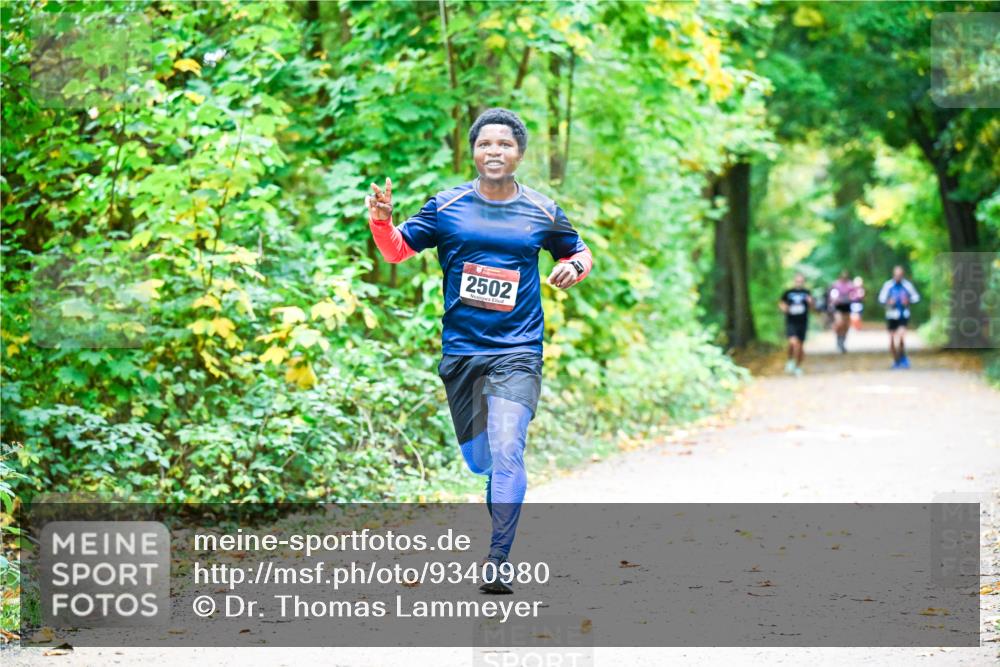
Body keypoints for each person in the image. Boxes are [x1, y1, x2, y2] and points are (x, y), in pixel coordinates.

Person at [364, 108, 592, 594]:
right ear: (473, 150)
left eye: (505, 145)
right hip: (463, 351)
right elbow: (397, 251)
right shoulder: (446, 207)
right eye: (486, 143)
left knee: (509, 445)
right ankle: (497, 505)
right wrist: (381, 221)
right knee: (482, 462)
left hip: (519, 348)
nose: (495, 151)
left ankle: (498, 558)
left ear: (519, 154)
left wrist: (575, 268)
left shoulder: (542, 210)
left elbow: (577, 250)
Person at [877, 266, 920, 369]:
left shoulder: (907, 285)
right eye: (896, 275)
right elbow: (881, 299)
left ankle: (902, 357)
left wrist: (908, 300)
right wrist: (888, 302)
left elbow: (916, 297)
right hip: (891, 315)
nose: (898, 277)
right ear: (893, 275)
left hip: (903, 315)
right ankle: (896, 360)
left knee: (901, 337)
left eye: (900, 275)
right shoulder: (888, 285)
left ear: (903, 275)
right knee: (891, 340)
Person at [779, 273, 814, 376]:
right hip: (791, 321)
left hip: (802, 322)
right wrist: (784, 308)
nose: (799, 283)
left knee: (800, 346)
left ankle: (798, 366)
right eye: (797, 281)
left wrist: (811, 302)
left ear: (803, 282)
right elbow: (781, 303)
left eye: (801, 281)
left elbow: (812, 307)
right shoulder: (788, 292)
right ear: (794, 281)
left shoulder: (807, 292)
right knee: (793, 342)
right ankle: (790, 360)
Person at [828, 269, 854, 353]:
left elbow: (855, 295)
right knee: (839, 323)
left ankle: (842, 342)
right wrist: (834, 300)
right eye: (843, 276)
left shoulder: (850, 285)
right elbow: (832, 295)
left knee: (846, 326)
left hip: (847, 306)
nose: (844, 278)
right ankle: (838, 340)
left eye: (846, 276)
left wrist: (852, 297)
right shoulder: (836, 284)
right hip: (838, 307)